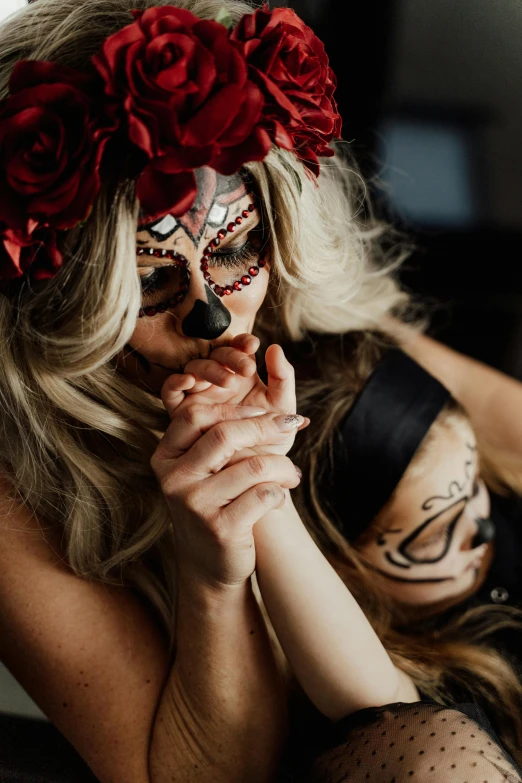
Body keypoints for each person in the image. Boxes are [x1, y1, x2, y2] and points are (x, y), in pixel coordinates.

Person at [0, 1, 518, 782]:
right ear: (58, 294)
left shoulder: (293, 305)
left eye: (238, 243)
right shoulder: (14, 487)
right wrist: (215, 577)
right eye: (146, 279)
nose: (212, 310)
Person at [288, 329, 522, 766]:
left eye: (474, 485)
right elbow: (374, 695)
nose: (483, 528)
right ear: (335, 564)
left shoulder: (511, 502)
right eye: (434, 534)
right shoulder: (435, 686)